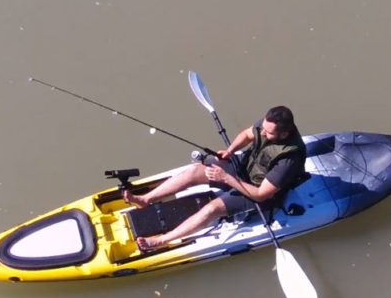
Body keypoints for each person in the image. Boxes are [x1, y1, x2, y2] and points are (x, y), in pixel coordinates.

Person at [124, 106, 306, 252]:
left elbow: (261, 194)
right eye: (264, 129)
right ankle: (145, 199)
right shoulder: (267, 125)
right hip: (244, 169)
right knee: (195, 171)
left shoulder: (288, 160)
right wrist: (229, 151)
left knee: (212, 209)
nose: (264, 133)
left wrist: (226, 178)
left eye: (269, 133)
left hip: (258, 192)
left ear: (284, 134)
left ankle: (161, 240)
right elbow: (247, 135)